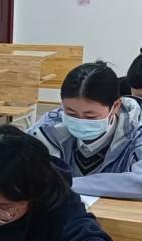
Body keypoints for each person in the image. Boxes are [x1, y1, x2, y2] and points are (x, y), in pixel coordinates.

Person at [28, 61, 142, 200]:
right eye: (71, 113)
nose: (80, 121)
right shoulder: (49, 128)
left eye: (90, 116)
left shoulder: (136, 132)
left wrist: (65, 185)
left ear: (116, 106)